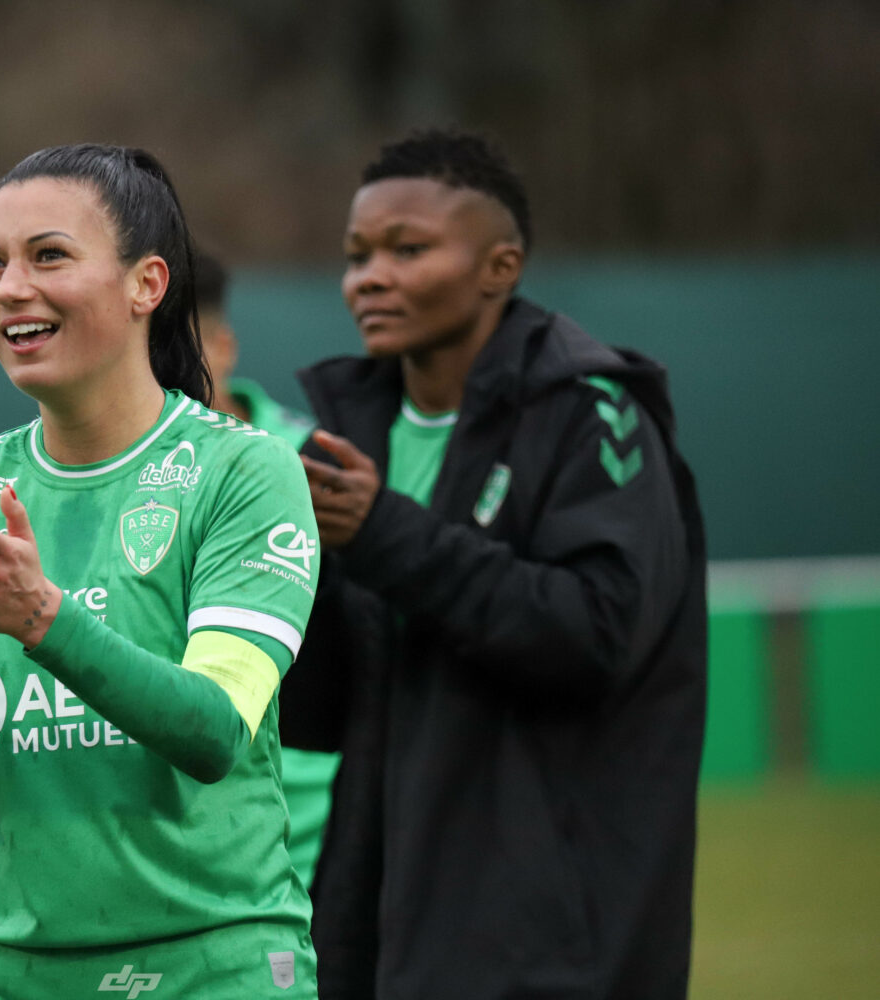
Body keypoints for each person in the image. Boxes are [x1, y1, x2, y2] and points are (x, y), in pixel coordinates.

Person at [0, 143, 321, 999]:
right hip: (5, 971)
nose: (9, 289)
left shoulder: (244, 472)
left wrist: (46, 622)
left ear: (148, 285)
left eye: (48, 255)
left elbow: (213, 732)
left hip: (212, 964)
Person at [279, 130, 707, 999]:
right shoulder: (348, 433)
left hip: (552, 937)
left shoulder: (590, 415)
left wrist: (384, 534)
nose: (371, 276)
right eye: (358, 255)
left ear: (499, 266)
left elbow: (594, 636)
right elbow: (323, 712)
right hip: (378, 924)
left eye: (409, 248)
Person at [194, 248, 340, 890]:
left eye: (180, 343)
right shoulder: (107, 481)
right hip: (185, 829)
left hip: (321, 825)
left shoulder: (322, 463)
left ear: (224, 346)